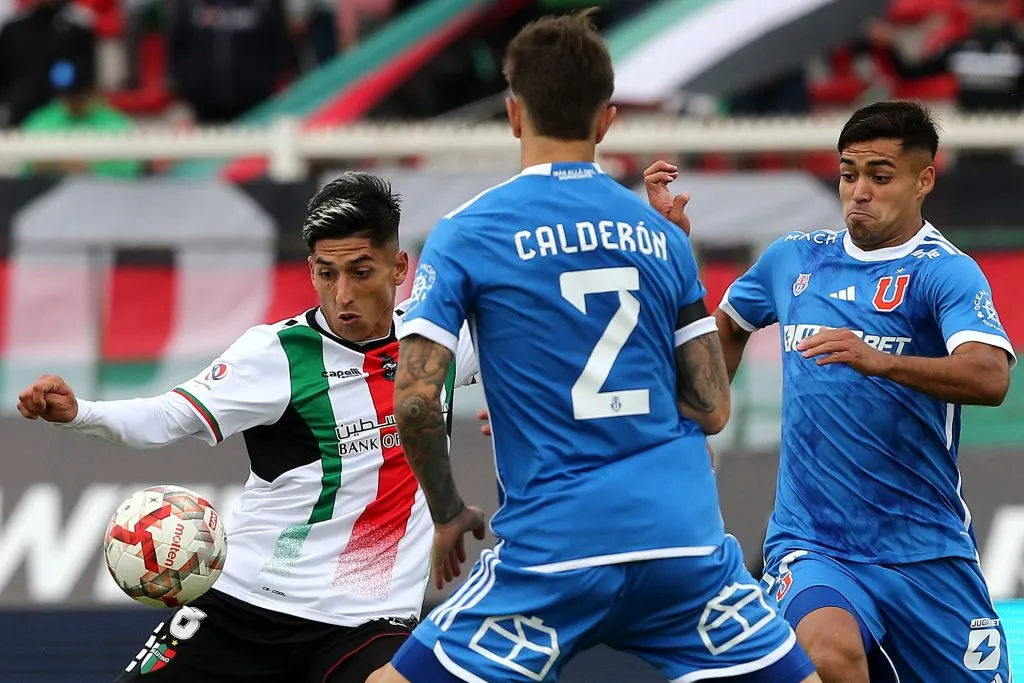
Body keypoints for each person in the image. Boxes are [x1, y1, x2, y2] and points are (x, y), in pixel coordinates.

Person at [373, 11, 819, 683]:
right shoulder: (662, 235)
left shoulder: (469, 232)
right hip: (682, 543)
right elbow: (711, 407)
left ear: (513, 112)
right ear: (607, 119)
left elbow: (413, 401)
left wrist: (447, 511)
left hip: (554, 554)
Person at [16, 172, 479, 683]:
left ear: (398, 267)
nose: (342, 294)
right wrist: (82, 411)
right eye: (326, 274)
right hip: (245, 606)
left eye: (360, 272)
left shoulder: (434, 342)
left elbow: (543, 358)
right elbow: (169, 416)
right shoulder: (275, 354)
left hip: (367, 620)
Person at [643, 100, 1015, 683]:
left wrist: (883, 363)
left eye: (879, 176)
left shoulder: (945, 272)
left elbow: (990, 376)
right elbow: (724, 334)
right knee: (827, 652)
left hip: (927, 550)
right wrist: (691, 419)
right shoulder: (794, 258)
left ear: (923, 181)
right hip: (814, 544)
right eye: (848, 174)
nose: (859, 191)